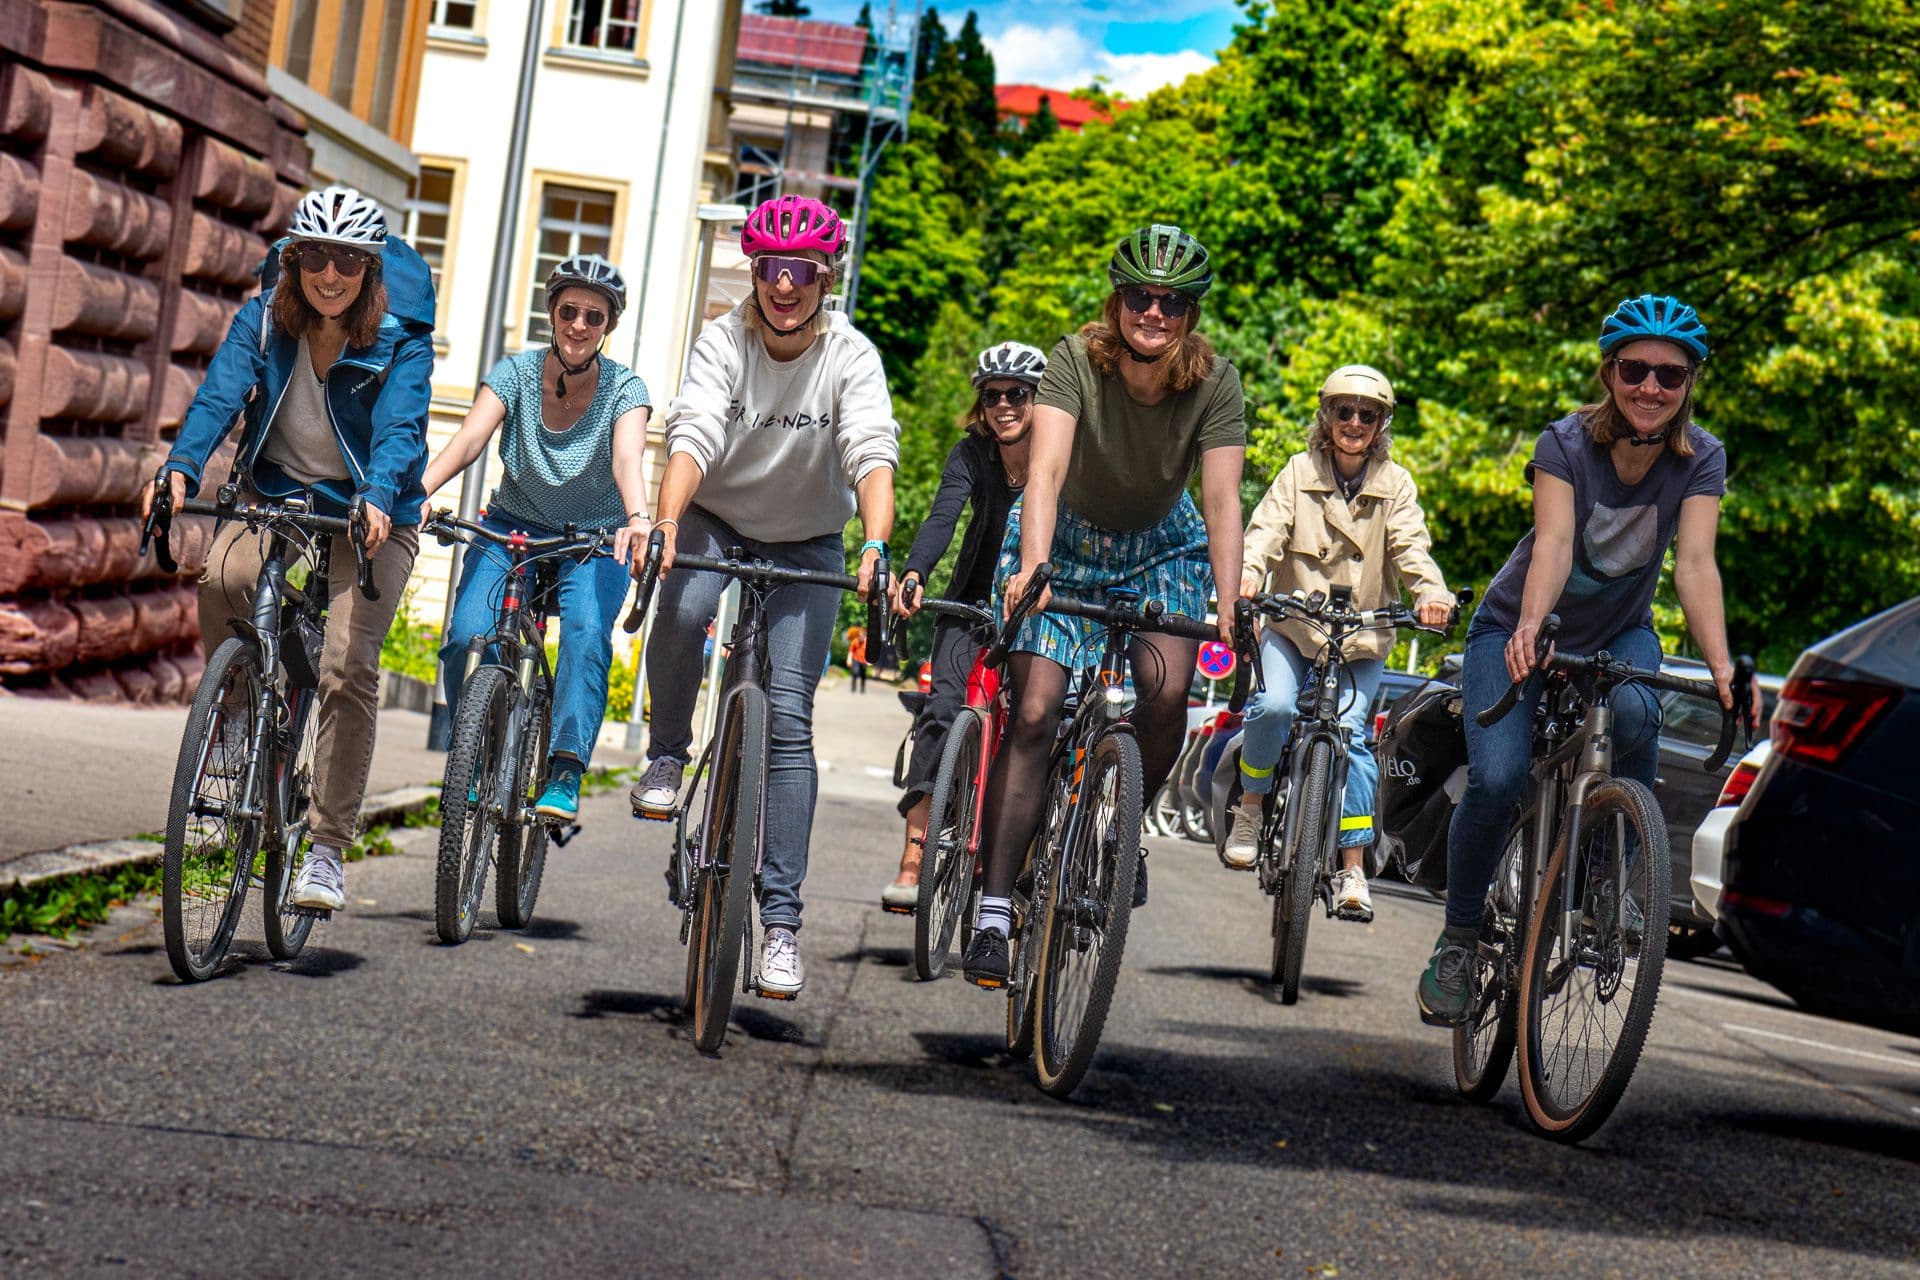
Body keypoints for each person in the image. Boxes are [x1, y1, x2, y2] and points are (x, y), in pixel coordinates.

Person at [1416, 294, 1754, 1025]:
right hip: (1517, 623)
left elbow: (1695, 565)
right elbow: (1556, 544)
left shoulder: (1702, 458)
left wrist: (1723, 667)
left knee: (1637, 712)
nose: (1651, 389)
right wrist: (1531, 625)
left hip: (1617, 635)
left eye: (1671, 375)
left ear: (1691, 382)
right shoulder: (1565, 443)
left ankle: (1607, 872)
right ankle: (1460, 936)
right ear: (1609, 373)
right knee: (1501, 776)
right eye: (1635, 370)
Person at [628, 194, 899, 998]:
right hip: (717, 513)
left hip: (809, 537)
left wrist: (877, 544)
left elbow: (870, 448)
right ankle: (669, 752)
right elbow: (693, 433)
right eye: (772, 271)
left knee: (789, 719)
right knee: (680, 603)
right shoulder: (724, 338)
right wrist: (670, 521)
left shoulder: (851, 355)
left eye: (802, 273)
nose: (785, 287)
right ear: (755, 272)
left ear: (824, 278)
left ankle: (780, 923)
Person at [961, 224, 1246, 987]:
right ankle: (993, 911)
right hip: (1068, 540)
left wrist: (1228, 602)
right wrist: (1034, 567)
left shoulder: (1215, 382)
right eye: (1139, 296)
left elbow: (1220, 498)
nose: (1153, 312)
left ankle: (1118, 829)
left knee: (1167, 690)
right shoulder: (1074, 361)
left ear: (1190, 313)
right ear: (1117, 300)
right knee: (1033, 711)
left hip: (1163, 545)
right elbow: (1045, 474)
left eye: (1171, 301)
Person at [145, 185, 436, 913]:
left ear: (369, 269)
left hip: (374, 511)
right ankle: (240, 711)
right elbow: (218, 396)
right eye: (315, 256)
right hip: (274, 491)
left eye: (346, 259)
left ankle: (329, 848)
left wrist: (377, 496)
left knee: (346, 665)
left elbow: (401, 430)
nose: (329, 274)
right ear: (294, 260)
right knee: (220, 575)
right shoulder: (264, 321)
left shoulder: (401, 341)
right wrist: (181, 466)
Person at [419, 255, 652, 821]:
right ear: (551, 311)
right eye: (568, 310)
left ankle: (565, 769)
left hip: (592, 540)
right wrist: (415, 494)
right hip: (511, 525)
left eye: (593, 317)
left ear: (608, 327)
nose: (578, 325)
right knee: (467, 633)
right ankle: (475, 747)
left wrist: (639, 518)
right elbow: (470, 439)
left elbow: (627, 460)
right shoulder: (516, 374)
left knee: (585, 631)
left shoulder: (626, 389)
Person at [1222, 366, 1453, 922]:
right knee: (1273, 705)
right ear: (1326, 417)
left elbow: (1411, 547)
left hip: (1359, 641)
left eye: (1366, 414)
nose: (1353, 423)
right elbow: (1264, 533)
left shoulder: (1395, 483)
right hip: (1295, 629)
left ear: (1381, 425)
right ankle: (1250, 807)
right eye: (1343, 411)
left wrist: (1432, 594)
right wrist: (1247, 577)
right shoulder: (1298, 472)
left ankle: (1352, 868)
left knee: (1349, 736)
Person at [880, 340, 1045, 912]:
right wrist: (916, 571)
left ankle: (1026, 857)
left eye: (1017, 395)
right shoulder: (972, 453)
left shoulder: (1060, 453)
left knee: (1041, 725)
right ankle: (915, 854)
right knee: (940, 713)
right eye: (992, 395)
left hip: (1041, 608)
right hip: (971, 602)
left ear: (1039, 400)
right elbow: (943, 515)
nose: (1003, 405)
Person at [846, 625, 869, 693]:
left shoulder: (867, 642)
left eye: (861, 636)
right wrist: (849, 659)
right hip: (856, 659)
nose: (860, 637)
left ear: (864, 636)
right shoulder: (855, 641)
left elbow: (870, 653)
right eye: (859, 635)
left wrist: (869, 661)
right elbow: (851, 651)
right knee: (855, 672)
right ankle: (853, 687)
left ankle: (862, 687)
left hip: (864, 661)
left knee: (863, 675)